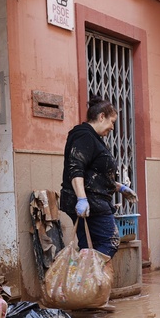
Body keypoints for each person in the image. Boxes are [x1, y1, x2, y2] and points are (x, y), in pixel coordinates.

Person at [60, 96, 138, 258]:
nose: (112, 127)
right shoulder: (84, 136)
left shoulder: (94, 138)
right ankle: (86, 278)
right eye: (112, 122)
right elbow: (76, 169)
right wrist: (82, 199)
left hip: (93, 201)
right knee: (110, 241)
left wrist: (119, 187)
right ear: (101, 116)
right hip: (91, 203)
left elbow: (95, 175)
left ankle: (84, 280)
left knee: (90, 246)